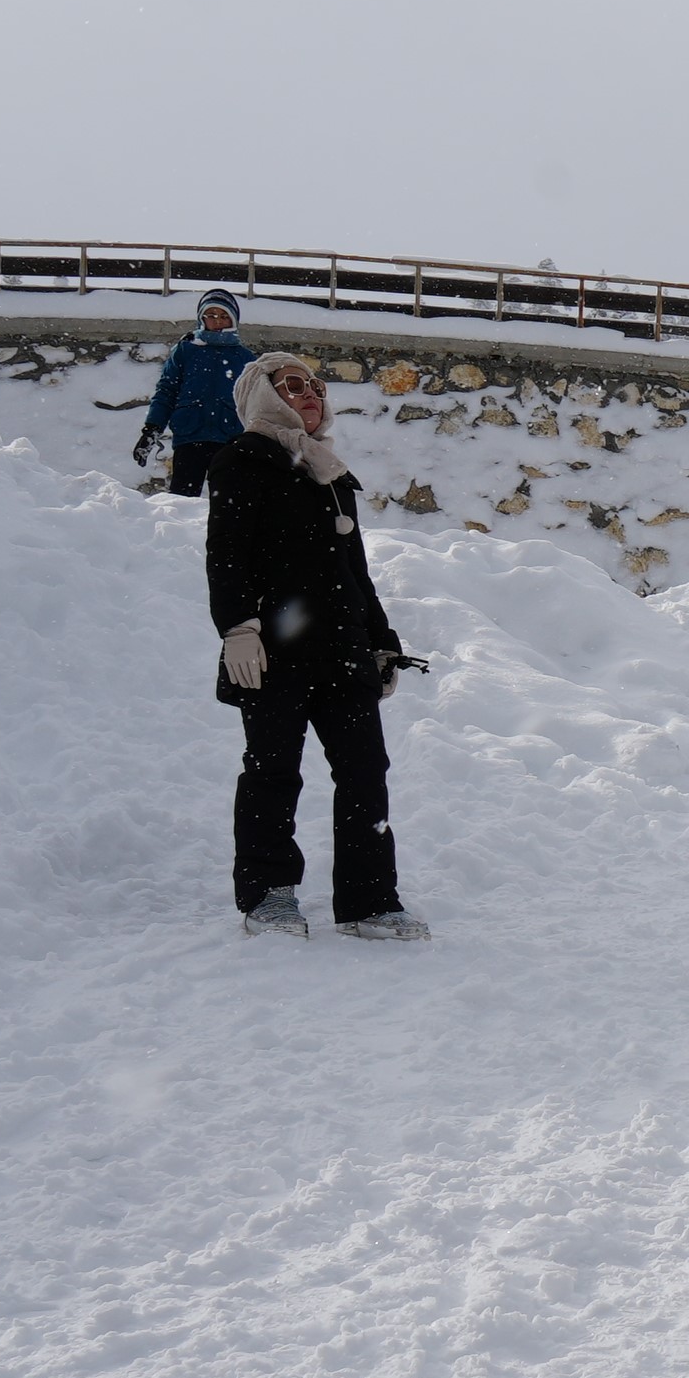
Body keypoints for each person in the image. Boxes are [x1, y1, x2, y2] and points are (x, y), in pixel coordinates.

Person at [205, 352, 425, 940]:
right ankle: (268, 893)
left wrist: (383, 643)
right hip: (275, 650)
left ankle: (369, 900)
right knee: (273, 770)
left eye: (317, 386)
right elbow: (227, 556)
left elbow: (355, 569)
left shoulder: (329, 473)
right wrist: (238, 630)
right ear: (262, 396)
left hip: (344, 649)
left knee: (364, 772)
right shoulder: (242, 462)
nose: (310, 394)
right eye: (293, 385)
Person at [135, 294, 257, 497]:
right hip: (190, 436)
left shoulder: (245, 358)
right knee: (181, 501)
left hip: (229, 438)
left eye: (224, 316)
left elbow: (255, 403)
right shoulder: (185, 351)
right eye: (211, 315)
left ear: (233, 320)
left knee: (229, 503)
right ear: (202, 319)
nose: (217, 320)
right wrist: (152, 430)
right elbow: (167, 391)